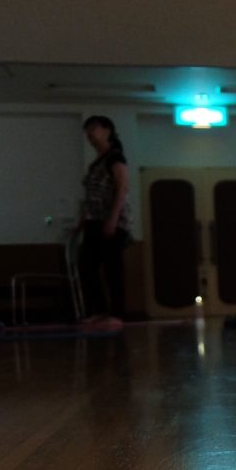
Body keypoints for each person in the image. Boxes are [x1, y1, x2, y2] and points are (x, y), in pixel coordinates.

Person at [75, 115, 132, 327]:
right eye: (87, 130)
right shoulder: (95, 164)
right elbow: (91, 196)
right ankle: (98, 310)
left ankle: (117, 313)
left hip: (111, 220)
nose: (90, 133)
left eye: (94, 128)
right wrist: (82, 221)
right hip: (94, 220)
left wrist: (113, 218)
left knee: (112, 267)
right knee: (86, 265)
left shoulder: (115, 157)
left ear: (107, 131)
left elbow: (122, 187)